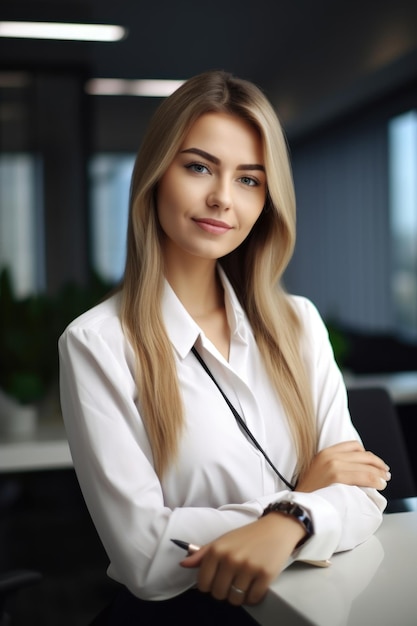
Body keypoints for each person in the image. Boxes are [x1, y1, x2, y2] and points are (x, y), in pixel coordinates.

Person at [58, 70, 389, 624]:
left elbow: (365, 494)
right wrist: (305, 504)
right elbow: (146, 557)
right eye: (198, 167)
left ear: (267, 200)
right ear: (157, 174)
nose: (222, 198)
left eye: (249, 179)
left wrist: (286, 522)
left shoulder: (298, 323)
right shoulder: (97, 343)